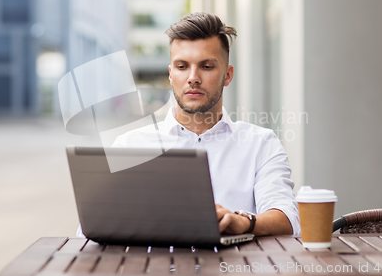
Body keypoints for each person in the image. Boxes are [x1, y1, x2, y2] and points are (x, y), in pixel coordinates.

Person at [76, 12, 299, 237]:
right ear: (171, 75)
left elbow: (287, 218)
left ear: (228, 75)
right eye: (182, 66)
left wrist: (243, 222)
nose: (193, 77)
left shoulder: (261, 143)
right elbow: (88, 230)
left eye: (207, 66)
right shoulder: (130, 146)